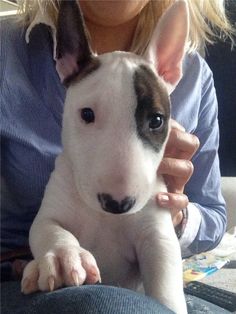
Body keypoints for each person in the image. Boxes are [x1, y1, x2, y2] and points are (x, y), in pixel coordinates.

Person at [0, 0, 234, 313]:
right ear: (64, 59)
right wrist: (56, 246)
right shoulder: (9, 52)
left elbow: (213, 216)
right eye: (87, 115)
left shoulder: (193, 75)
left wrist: (175, 217)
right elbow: (49, 223)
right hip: (24, 280)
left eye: (154, 122)